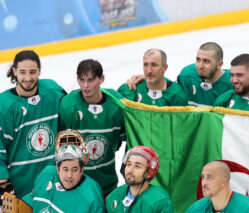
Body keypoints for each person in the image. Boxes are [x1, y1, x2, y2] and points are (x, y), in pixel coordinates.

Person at [0, 50, 66, 198]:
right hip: (20, 189)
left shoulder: (53, 92)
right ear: (14, 71)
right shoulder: (4, 105)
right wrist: (2, 182)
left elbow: (75, 104)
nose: (28, 78)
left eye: (32, 72)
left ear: (39, 71)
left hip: (53, 185)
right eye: (23, 72)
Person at [59, 59, 125, 195]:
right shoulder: (68, 106)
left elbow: (124, 137)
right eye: (81, 80)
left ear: (102, 79)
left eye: (90, 80)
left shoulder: (116, 104)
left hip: (108, 184)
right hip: (77, 186)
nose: (85, 86)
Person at [118, 49, 188, 106]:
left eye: (154, 65)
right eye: (145, 65)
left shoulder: (177, 96)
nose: (149, 71)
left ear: (165, 68)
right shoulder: (131, 88)